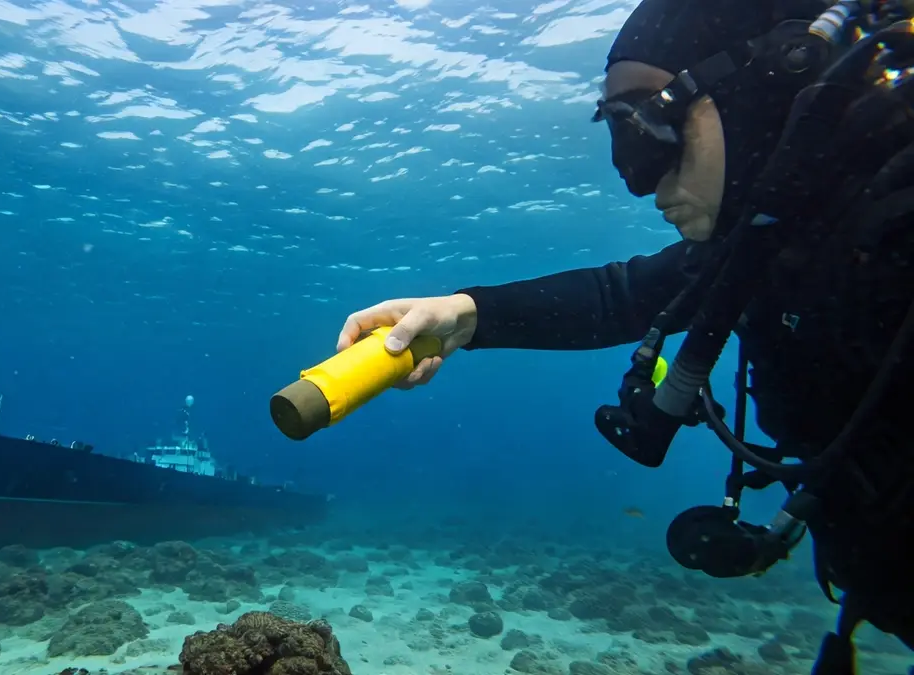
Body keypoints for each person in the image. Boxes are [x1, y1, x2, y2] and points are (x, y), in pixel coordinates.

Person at [336, 1, 914, 672]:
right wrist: (465, 315)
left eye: (650, 124)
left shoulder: (893, 224)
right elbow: (623, 296)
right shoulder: (773, 242)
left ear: (775, 81)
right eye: (619, 131)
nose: (636, 175)